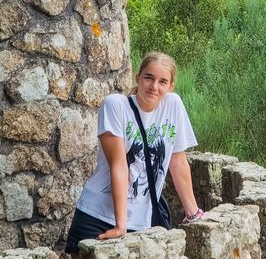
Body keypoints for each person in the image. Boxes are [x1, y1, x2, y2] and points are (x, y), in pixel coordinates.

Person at [65, 52, 204, 255]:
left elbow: (178, 161)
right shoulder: (116, 105)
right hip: (97, 216)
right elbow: (119, 165)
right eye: (149, 78)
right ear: (138, 77)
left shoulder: (173, 105)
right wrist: (121, 225)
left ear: (170, 86)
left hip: (142, 220)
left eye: (162, 81)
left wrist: (193, 214)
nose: (154, 86)